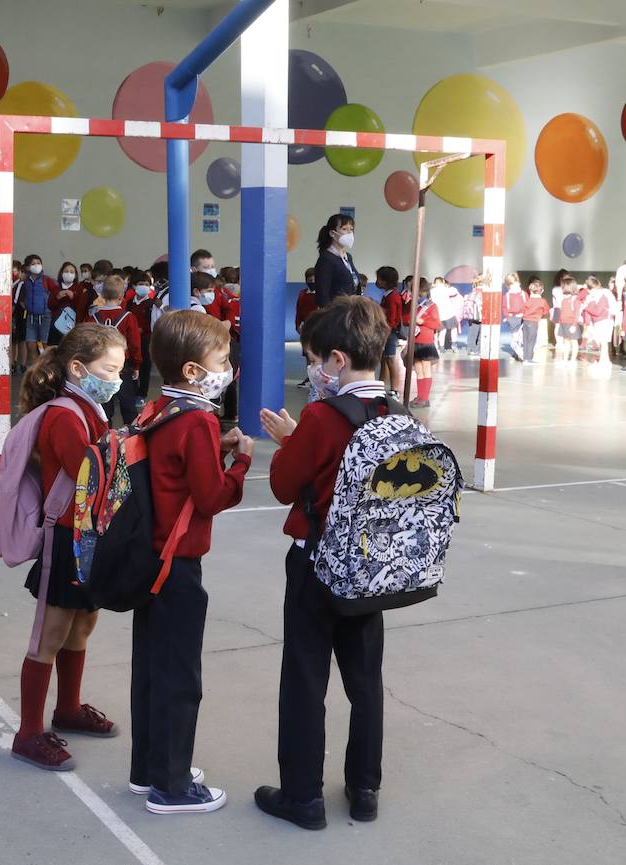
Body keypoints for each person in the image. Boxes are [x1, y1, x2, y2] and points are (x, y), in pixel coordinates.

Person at [254, 296, 395, 831]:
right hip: (375, 566)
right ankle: (365, 788)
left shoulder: (321, 415)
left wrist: (292, 441)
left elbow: (284, 484)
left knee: (306, 678)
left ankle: (303, 797)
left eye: (315, 358)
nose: (311, 368)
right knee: (366, 680)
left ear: (337, 360)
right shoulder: (394, 411)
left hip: (318, 564)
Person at [132, 309, 252, 815]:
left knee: (151, 670)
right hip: (179, 565)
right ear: (192, 371)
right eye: (221, 360)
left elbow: (172, 473)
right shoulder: (199, 419)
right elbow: (209, 497)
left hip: (147, 559)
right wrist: (240, 459)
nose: (228, 367)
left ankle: (150, 768)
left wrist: (213, 451)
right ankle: (174, 786)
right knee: (182, 676)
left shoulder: (155, 410)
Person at [12, 323, 124, 772]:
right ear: (78, 369)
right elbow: (89, 476)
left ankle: (69, 709)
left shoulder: (91, 408)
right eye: (110, 369)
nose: (118, 377)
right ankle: (28, 733)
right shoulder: (65, 414)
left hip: (91, 535)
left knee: (82, 626)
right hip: (67, 536)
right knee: (49, 636)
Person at [90, 275, 142, 425]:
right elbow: (134, 344)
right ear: (121, 297)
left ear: (103, 295)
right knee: (128, 403)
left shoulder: (93, 317)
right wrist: (136, 364)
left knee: (105, 404)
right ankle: (132, 438)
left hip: (100, 366)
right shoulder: (128, 317)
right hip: (122, 365)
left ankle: (105, 437)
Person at [205, 268, 242, 424]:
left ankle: (220, 412)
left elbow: (230, 313)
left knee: (224, 378)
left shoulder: (223, 294)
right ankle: (222, 412)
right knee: (226, 378)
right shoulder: (225, 295)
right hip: (224, 339)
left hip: (223, 340)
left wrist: (226, 323)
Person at [312, 214, 358, 307]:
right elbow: (322, 296)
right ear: (332, 233)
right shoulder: (326, 259)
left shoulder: (348, 257)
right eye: (344, 229)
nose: (349, 233)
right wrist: (331, 316)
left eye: (351, 229)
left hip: (350, 312)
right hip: (336, 315)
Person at [375, 267, 406, 397]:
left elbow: (392, 319)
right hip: (387, 331)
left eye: (379, 279)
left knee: (390, 360)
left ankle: (395, 389)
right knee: (384, 359)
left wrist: (385, 334)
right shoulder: (388, 295)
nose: (377, 282)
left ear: (386, 281)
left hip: (390, 332)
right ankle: (381, 385)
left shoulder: (392, 297)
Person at [20, 254, 57, 359]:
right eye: (33, 264)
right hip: (31, 317)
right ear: (27, 267)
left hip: (45, 316)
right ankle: (36, 369)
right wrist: (26, 307)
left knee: (45, 346)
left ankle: (48, 369)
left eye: (38, 263)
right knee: (30, 345)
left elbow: (56, 292)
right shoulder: (25, 282)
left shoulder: (47, 280)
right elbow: (21, 297)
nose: (36, 265)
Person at [128, 270, 157, 405]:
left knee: (145, 365)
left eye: (146, 284)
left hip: (146, 339)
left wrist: (143, 329)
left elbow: (153, 322)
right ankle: (131, 390)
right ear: (134, 286)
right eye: (141, 284)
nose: (144, 286)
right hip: (130, 339)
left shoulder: (151, 304)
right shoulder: (129, 303)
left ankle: (141, 393)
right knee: (132, 364)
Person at [410, 280, 440, 407]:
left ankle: (425, 397)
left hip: (426, 342)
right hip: (415, 341)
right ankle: (420, 395)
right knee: (418, 370)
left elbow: (437, 324)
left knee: (426, 369)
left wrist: (422, 321)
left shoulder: (432, 306)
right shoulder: (414, 305)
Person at [48, 261, 83, 348]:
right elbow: (50, 305)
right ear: (61, 273)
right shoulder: (56, 288)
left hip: (72, 324)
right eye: (66, 271)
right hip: (57, 325)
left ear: (75, 275)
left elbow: (81, 306)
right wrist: (57, 298)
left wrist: (74, 297)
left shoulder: (79, 288)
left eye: (71, 272)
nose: (68, 274)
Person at [582, 276, 614, 368]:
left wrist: (586, 307)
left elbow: (597, 311)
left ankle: (605, 362)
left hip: (605, 321)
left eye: (588, 289)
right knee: (602, 343)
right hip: (599, 321)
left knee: (603, 343)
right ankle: (605, 361)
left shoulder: (603, 294)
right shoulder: (593, 295)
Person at [522, 279, 549, 364]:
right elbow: (546, 311)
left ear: (530, 290)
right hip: (533, 323)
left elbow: (523, 310)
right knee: (531, 341)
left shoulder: (527, 300)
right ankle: (529, 359)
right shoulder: (542, 301)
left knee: (525, 340)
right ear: (542, 291)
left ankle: (525, 357)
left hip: (525, 321)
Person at [431, 278, 460, 351]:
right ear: (443, 282)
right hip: (448, 313)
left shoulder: (431, 291)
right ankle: (454, 344)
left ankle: (441, 347)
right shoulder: (445, 289)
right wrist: (446, 286)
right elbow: (455, 291)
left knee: (442, 331)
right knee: (454, 328)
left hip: (438, 315)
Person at [503, 272, 526, 361]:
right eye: (510, 284)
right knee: (515, 337)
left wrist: (525, 315)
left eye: (514, 283)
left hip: (523, 318)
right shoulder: (507, 296)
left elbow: (527, 304)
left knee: (522, 337)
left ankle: (520, 353)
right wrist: (507, 317)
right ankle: (517, 353)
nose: (512, 286)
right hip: (512, 319)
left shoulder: (523, 294)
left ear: (518, 282)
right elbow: (504, 307)